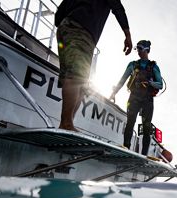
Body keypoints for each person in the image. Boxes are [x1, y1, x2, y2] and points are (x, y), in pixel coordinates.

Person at [55, 0, 132, 131]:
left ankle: (67, 123)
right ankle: (66, 123)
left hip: (65, 28)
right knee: (77, 77)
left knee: (78, 80)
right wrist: (127, 35)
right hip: (82, 31)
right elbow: (118, 8)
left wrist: (67, 22)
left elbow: (59, 14)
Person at [109, 40, 163, 155]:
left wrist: (150, 83)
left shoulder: (154, 67)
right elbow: (122, 81)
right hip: (134, 98)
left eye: (140, 48)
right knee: (130, 123)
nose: (138, 51)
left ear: (146, 49)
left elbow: (160, 84)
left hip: (147, 100)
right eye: (137, 48)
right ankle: (126, 148)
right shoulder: (133, 65)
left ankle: (144, 155)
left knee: (146, 128)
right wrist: (114, 93)